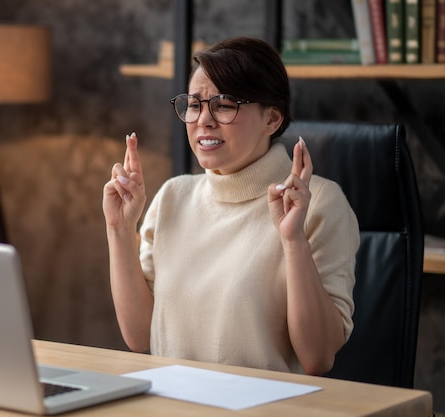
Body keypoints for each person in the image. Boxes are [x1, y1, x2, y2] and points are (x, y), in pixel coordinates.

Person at [102, 37, 359, 375]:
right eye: (194, 104)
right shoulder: (172, 197)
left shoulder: (320, 203)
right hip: (174, 404)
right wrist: (119, 229)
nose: (203, 120)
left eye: (223, 104)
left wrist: (293, 240)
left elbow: (318, 358)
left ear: (271, 119)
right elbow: (139, 337)